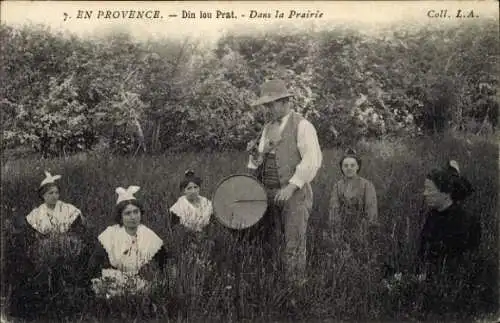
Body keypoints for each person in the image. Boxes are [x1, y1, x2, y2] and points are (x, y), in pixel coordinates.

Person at [247, 79, 322, 284]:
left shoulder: (303, 126)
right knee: (272, 239)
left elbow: (312, 160)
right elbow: (259, 161)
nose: (268, 109)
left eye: (271, 104)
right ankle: (275, 285)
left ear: (284, 101)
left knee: (294, 243)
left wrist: (291, 186)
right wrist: (255, 157)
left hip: (294, 193)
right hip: (269, 192)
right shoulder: (268, 128)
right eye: (266, 105)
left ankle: (296, 288)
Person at [7, 171, 92, 319]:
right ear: (43, 196)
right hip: (46, 246)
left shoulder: (67, 208)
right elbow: (33, 233)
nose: (54, 196)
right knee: (45, 262)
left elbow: (78, 227)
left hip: (66, 244)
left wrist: (66, 239)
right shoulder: (37, 213)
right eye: (50, 193)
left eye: (56, 192)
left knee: (69, 254)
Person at [417, 160, 479, 315]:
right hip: (428, 283)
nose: (425, 194)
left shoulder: (465, 220)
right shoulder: (433, 214)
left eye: (430, 189)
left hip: (451, 293)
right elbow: (423, 251)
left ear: (445, 193)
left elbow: (461, 263)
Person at [87, 185, 173, 298]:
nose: (133, 217)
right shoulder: (110, 234)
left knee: (150, 289)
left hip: (139, 279)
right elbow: (94, 263)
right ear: (120, 216)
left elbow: (163, 260)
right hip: (114, 277)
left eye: (136, 212)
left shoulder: (148, 234)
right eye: (128, 213)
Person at [327, 148, 378, 238]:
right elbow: (334, 210)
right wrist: (337, 233)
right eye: (346, 166)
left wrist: (365, 233)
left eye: (352, 165)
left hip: (362, 230)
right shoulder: (337, 186)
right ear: (342, 168)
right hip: (342, 230)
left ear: (358, 166)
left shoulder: (367, 185)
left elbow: (371, 212)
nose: (349, 168)